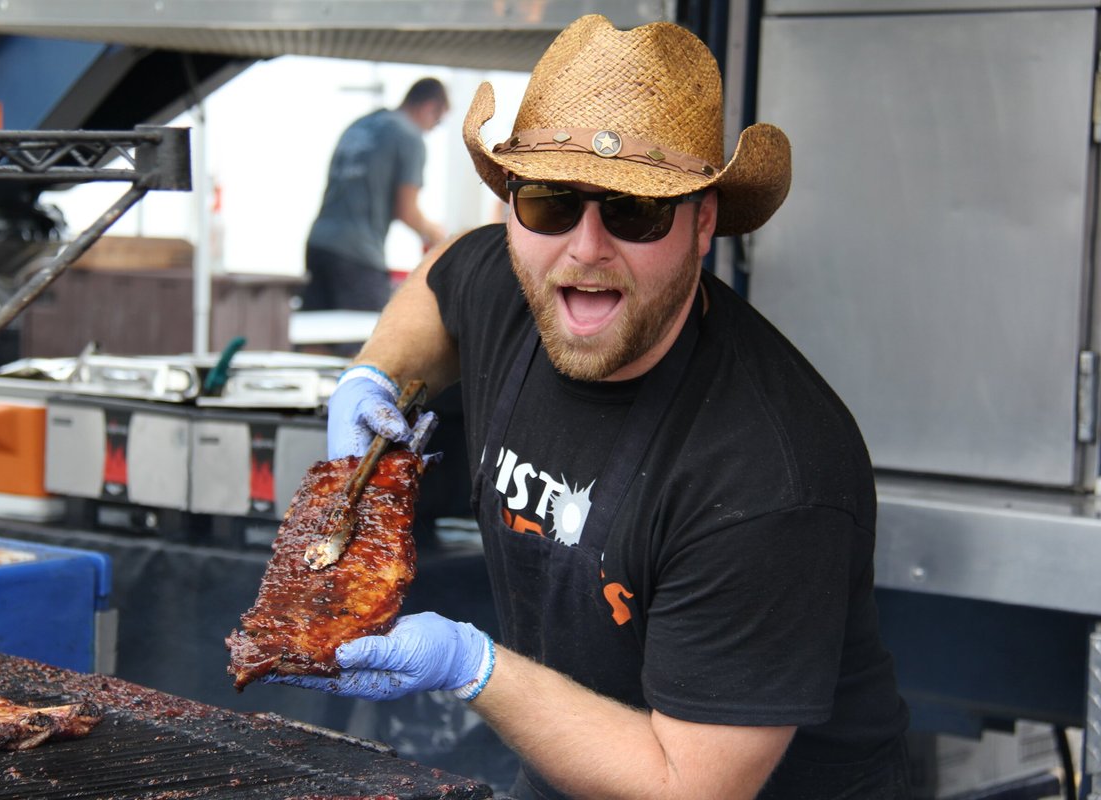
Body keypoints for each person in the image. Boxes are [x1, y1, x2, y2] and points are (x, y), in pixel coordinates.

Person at [269, 15, 911, 800]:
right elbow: (444, 276)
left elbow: (685, 785)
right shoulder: (512, 281)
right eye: (548, 201)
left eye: (634, 211)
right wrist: (370, 376)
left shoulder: (766, 476)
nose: (585, 248)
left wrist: (469, 666)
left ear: (703, 222)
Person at [301, 76, 449, 312]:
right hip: (357, 254)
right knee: (369, 339)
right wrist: (440, 236)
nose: (431, 131)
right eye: (437, 123)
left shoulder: (361, 125)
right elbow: (407, 212)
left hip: (318, 244)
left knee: (316, 336)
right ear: (429, 108)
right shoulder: (409, 136)